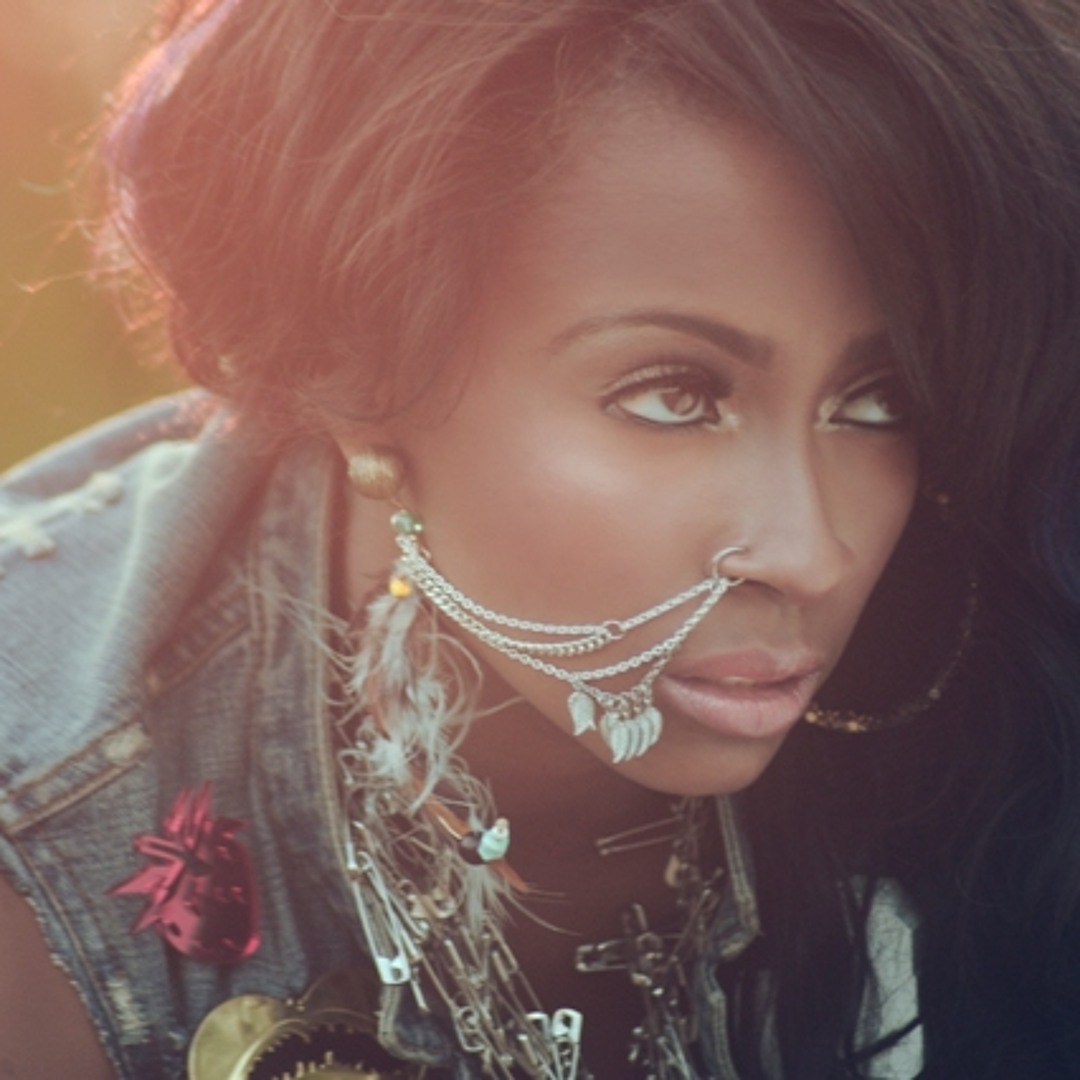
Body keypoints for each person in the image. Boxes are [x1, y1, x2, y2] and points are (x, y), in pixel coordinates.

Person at [2, 0, 1080, 1076]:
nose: (810, 556)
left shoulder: (1013, 623)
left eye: (880, 399)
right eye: (673, 396)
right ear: (355, 368)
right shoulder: (45, 855)